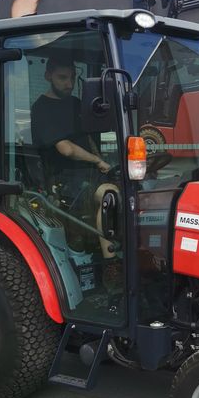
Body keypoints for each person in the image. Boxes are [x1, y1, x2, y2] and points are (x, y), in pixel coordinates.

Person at [31, 56, 118, 264]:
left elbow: (88, 137)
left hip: (90, 172)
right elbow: (66, 149)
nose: (69, 84)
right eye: (62, 78)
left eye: (72, 78)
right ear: (47, 76)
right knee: (110, 198)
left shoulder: (77, 104)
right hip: (65, 178)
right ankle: (112, 264)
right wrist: (97, 161)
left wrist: (104, 161)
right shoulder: (41, 108)